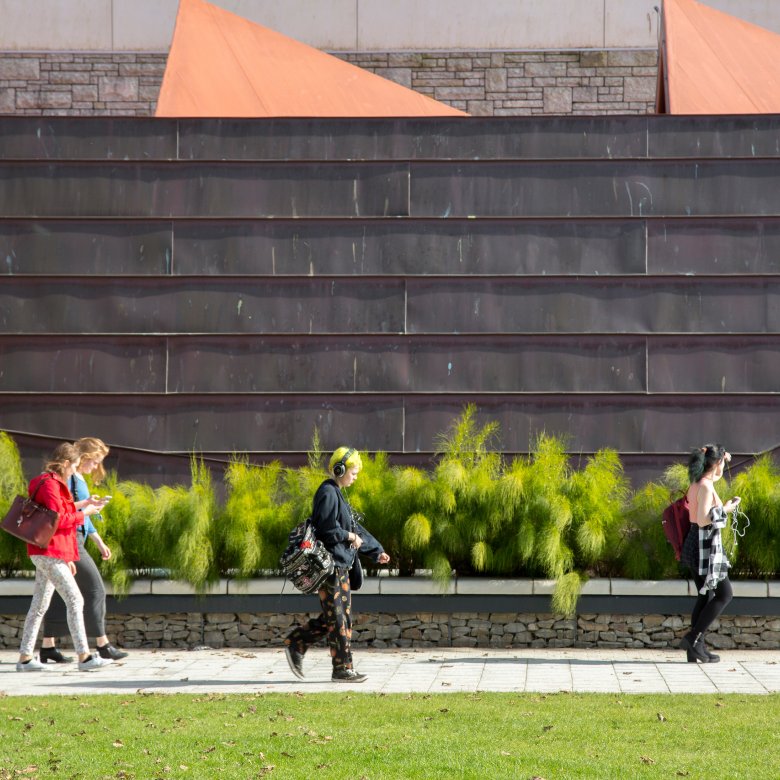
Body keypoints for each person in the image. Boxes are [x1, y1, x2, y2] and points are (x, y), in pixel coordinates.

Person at [284, 447, 391, 683]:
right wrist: (350, 537)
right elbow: (327, 530)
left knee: (337, 617)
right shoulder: (327, 493)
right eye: (353, 472)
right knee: (339, 618)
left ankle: (298, 642)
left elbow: (354, 529)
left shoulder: (337, 494)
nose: (355, 476)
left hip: (340, 566)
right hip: (331, 567)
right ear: (339, 469)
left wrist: (377, 551)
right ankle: (342, 668)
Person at [16, 443, 111, 672]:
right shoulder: (51, 484)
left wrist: (85, 504)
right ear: (66, 463)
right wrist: (84, 514)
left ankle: (25, 658)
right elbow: (59, 520)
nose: (75, 470)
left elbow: (60, 512)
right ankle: (84, 657)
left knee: (39, 605)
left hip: (50, 552)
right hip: (48, 553)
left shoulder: (52, 482)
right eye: (75, 465)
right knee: (75, 600)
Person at [39, 437, 128, 663]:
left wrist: (97, 540)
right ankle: (102, 644)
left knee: (59, 594)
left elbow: (81, 516)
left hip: (73, 539)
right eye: (95, 461)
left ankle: (48, 646)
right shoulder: (70, 478)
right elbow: (65, 513)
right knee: (95, 589)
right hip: (70, 542)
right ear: (84, 457)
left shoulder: (77, 479)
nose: (96, 466)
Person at [679, 444, 740, 663]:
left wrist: (723, 458)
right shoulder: (705, 487)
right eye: (721, 462)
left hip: (696, 543)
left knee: (706, 596)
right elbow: (704, 519)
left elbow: (711, 479)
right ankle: (693, 638)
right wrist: (725, 509)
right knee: (725, 595)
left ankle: (696, 649)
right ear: (715, 465)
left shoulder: (698, 482)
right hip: (704, 546)